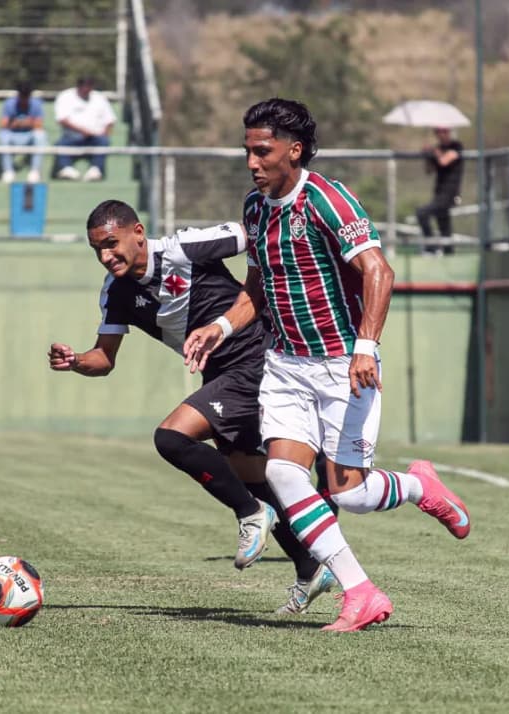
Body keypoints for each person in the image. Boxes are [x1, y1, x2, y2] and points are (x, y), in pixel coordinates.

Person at [183, 98, 471, 633]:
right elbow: (257, 288)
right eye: (247, 150)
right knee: (284, 475)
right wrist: (220, 327)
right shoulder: (254, 208)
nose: (252, 161)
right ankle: (361, 592)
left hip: (343, 364)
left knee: (350, 494)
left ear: (294, 151)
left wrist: (367, 346)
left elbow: (378, 271)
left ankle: (419, 486)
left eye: (262, 151)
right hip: (285, 364)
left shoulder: (328, 200)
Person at [47, 199, 337, 614]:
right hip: (220, 374)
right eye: (97, 249)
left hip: (256, 357)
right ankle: (311, 565)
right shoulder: (116, 291)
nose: (106, 256)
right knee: (248, 471)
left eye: (112, 243)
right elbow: (104, 358)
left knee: (171, 437)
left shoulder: (185, 248)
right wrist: (76, 361)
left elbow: (252, 232)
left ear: (138, 233)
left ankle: (252, 514)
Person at [53, 76, 116, 182]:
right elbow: (62, 120)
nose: (86, 90)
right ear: (78, 87)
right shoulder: (65, 96)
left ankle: (96, 170)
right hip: (72, 135)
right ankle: (66, 169)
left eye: (89, 87)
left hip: (96, 136)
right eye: (84, 87)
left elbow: (110, 120)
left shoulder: (99, 98)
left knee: (104, 141)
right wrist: (83, 131)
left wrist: (105, 133)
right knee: (61, 144)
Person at [416, 126, 463, 255]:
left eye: (444, 131)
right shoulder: (438, 149)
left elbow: (444, 161)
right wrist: (427, 155)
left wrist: (434, 152)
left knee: (422, 213)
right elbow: (429, 170)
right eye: (438, 132)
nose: (441, 134)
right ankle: (449, 252)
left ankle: (431, 247)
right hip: (439, 192)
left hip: (450, 193)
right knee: (443, 224)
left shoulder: (456, 146)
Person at [0, 81, 47, 184]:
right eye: (22, 95)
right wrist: (19, 123)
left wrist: (21, 123)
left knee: (40, 135)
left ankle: (35, 171)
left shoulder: (36, 104)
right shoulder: (9, 103)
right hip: (13, 135)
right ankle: (8, 171)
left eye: (26, 96)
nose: (24, 99)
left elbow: (39, 125)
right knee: (3, 135)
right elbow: (3, 124)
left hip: (29, 135)